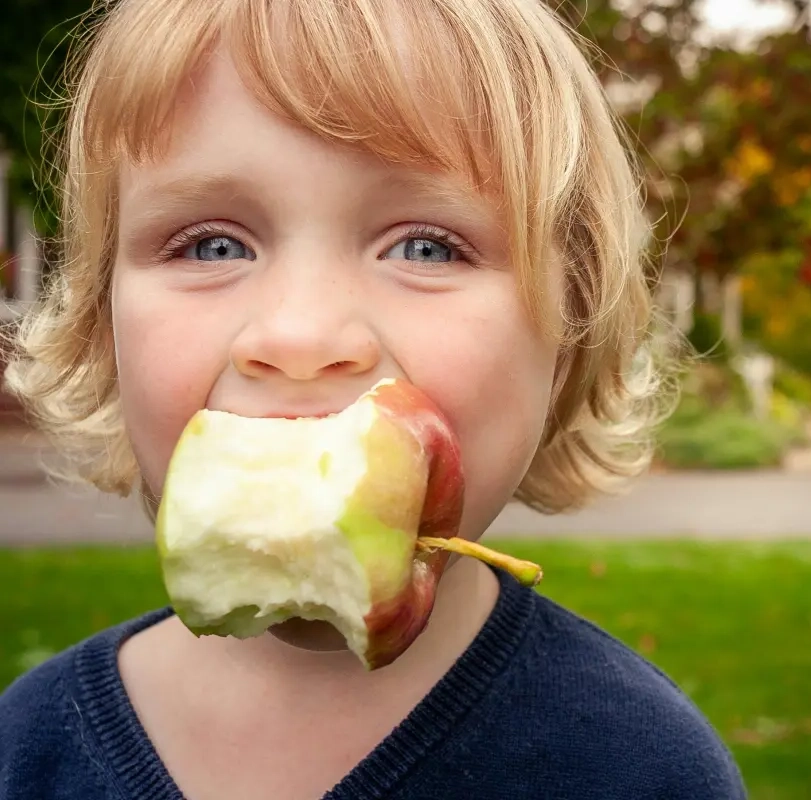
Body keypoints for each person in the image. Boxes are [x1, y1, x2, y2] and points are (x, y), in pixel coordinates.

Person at [0, 0, 748, 798]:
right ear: (99, 319)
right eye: (213, 245)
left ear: (569, 333)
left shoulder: (638, 770)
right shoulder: (28, 749)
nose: (301, 335)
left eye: (425, 246)